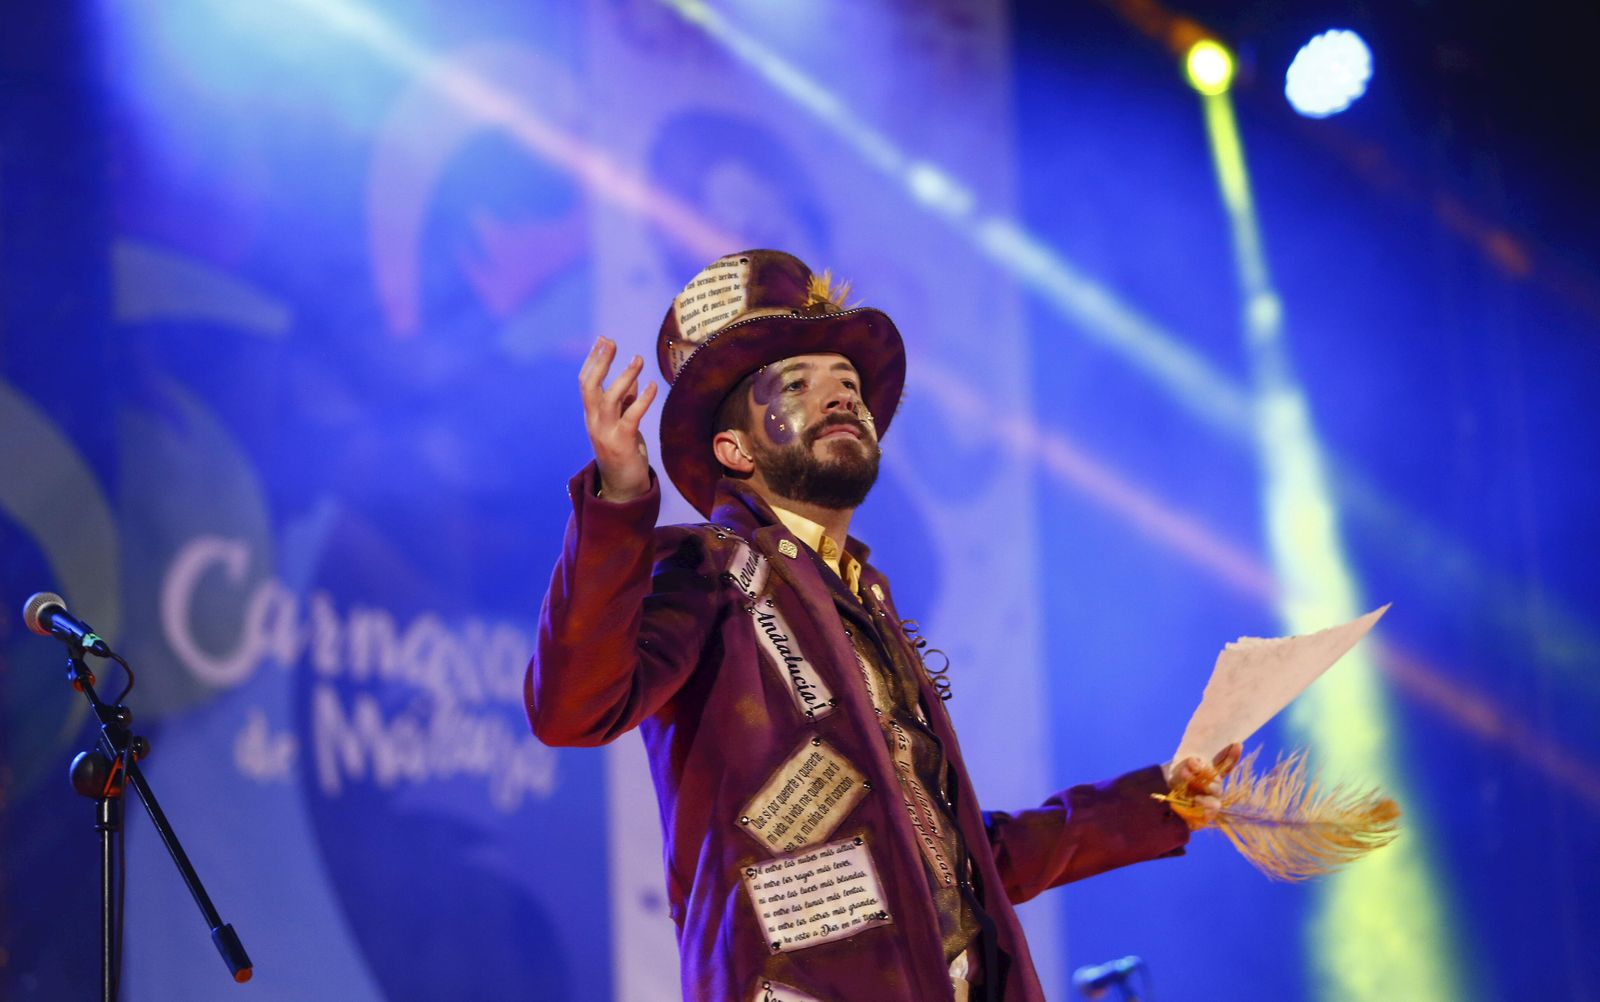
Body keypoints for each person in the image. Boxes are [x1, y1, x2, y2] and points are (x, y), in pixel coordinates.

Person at [527, 250, 1237, 1002]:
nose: (839, 398)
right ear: (733, 447)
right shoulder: (706, 571)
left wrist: (1155, 803)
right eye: (798, 385)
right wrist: (620, 497)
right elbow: (572, 706)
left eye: (850, 386)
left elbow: (958, 856)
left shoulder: (861, 600)